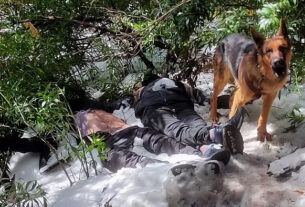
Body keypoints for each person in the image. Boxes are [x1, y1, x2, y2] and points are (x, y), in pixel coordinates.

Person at [74, 109, 231, 173]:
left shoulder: (80, 118)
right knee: (165, 143)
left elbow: (93, 140)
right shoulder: (102, 112)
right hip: (134, 131)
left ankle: (166, 171)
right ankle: (202, 153)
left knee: (130, 160)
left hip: (114, 140)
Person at [133, 76, 245, 155]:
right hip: (180, 103)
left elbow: (135, 110)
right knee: (197, 125)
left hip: (154, 110)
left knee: (178, 131)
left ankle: (208, 144)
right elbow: (203, 99)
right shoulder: (174, 82)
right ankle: (215, 134)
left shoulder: (141, 91)